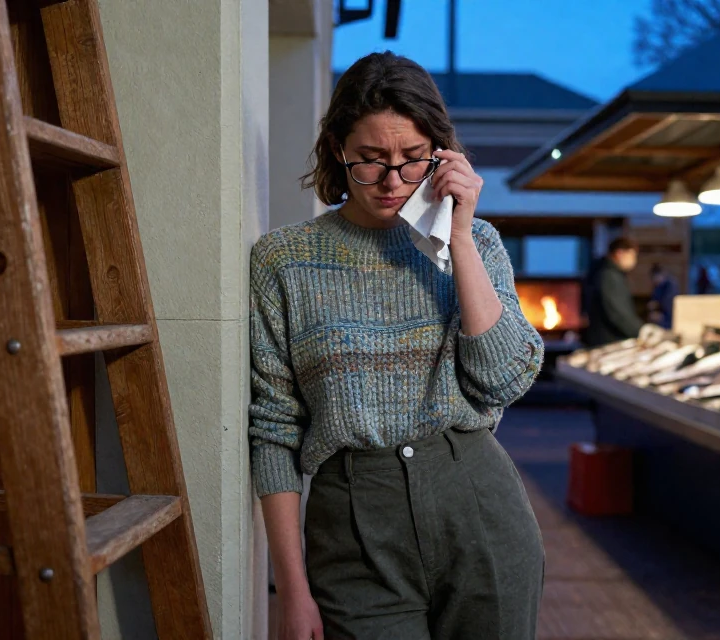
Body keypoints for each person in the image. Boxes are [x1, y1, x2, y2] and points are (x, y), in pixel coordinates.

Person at [249, 52, 545, 640]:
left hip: (477, 502)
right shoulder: (283, 261)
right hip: (353, 522)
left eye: (412, 160)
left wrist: (458, 236)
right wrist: (291, 589)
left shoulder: (476, 243)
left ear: (440, 152)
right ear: (338, 148)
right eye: (370, 160)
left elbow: (506, 378)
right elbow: (274, 429)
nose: (391, 182)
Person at [582, 237, 643, 347]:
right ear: (619, 253)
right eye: (632, 256)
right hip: (610, 341)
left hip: (605, 338)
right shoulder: (609, 276)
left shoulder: (605, 272)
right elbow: (617, 313)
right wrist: (641, 332)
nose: (634, 261)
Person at [647, 263, 678, 329]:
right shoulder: (658, 286)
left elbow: (669, 306)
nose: (653, 281)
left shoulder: (670, 285)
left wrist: (657, 306)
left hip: (668, 321)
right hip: (662, 318)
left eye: (654, 278)